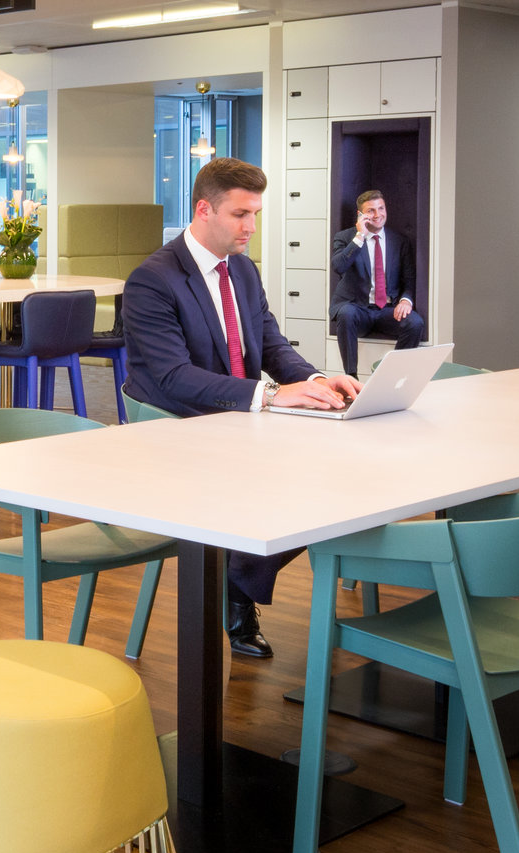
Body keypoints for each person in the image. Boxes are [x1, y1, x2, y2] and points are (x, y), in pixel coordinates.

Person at [122, 157, 361, 658]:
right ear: (203, 209)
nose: (251, 227)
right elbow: (172, 377)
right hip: (176, 430)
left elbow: (271, 344)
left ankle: (238, 577)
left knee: (338, 475)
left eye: (255, 214)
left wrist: (317, 380)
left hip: (237, 421)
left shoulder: (244, 271)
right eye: (240, 214)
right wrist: (271, 395)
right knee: (304, 478)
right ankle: (238, 587)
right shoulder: (152, 280)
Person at [329, 189, 423, 378]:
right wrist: (360, 237)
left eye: (381, 208)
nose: (378, 214)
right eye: (371, 210)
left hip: (387, 309)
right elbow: (338, 266)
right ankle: (351, 378)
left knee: (415, 323)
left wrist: (406, 300)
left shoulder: (399, 241)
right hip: (357, 308)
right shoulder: (345, 237)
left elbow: (409, 278)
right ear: (360, 215)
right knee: (346, 313)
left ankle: (390, 376)